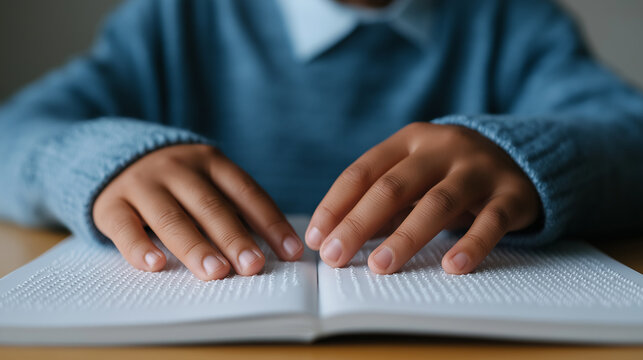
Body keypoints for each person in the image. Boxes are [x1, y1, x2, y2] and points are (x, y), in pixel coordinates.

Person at [0, 0, 641, 281]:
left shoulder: (512, 21)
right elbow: (16, 131)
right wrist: (103, 162)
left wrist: (524, 158)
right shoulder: (174, 18)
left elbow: (628, 129)